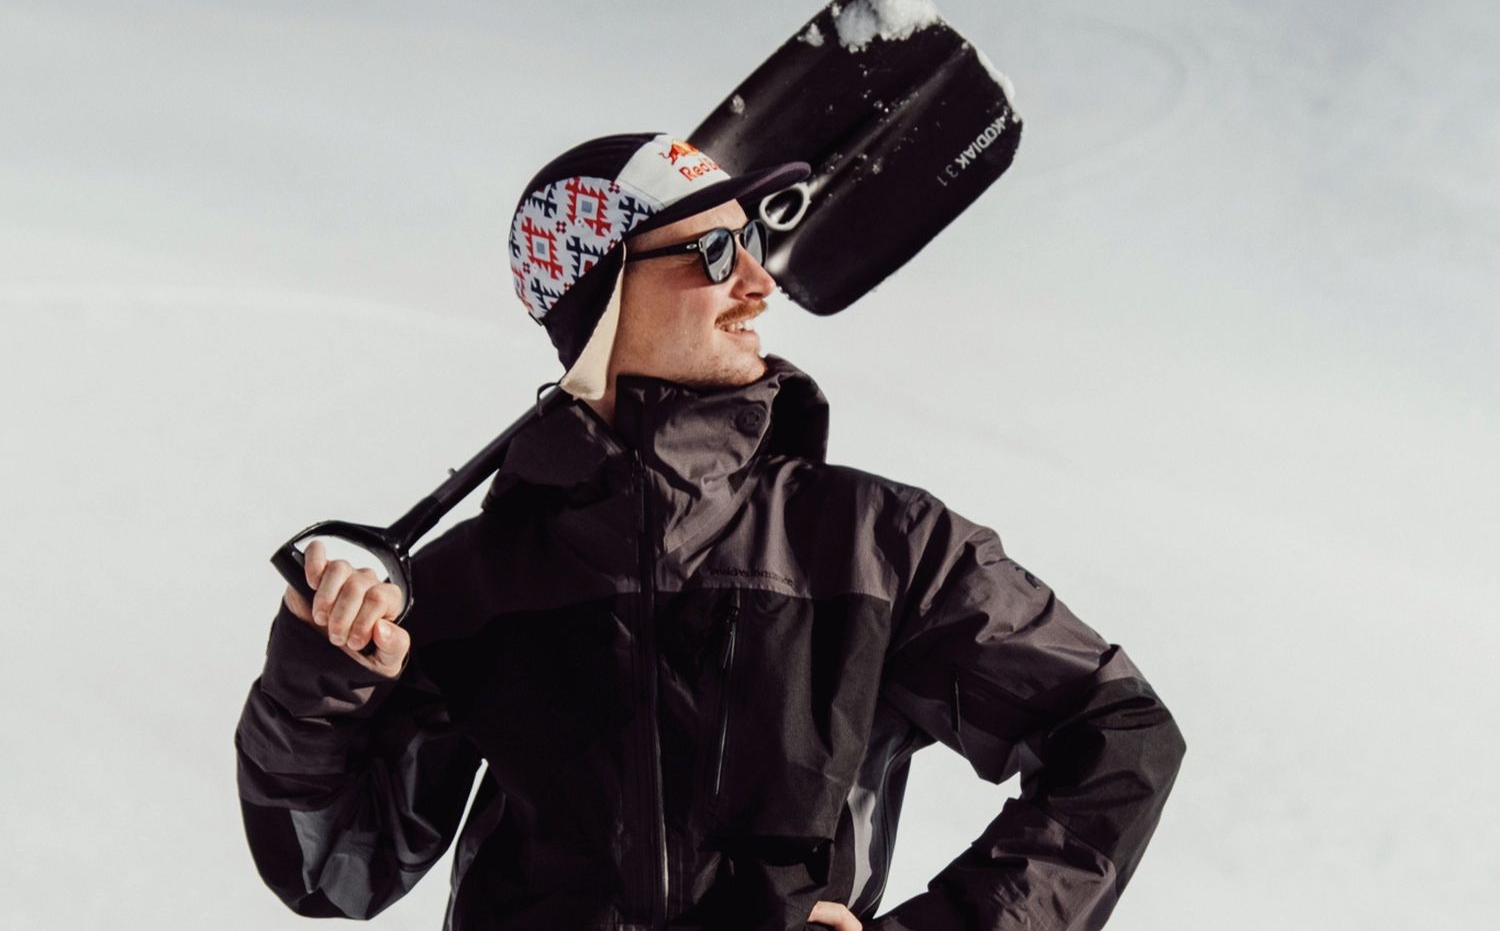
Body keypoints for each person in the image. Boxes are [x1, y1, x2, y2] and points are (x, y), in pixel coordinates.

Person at [234, 133, 1187, 931]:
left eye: (753, 244)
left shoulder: (872, 542)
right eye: (717, 254)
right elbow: (336, 870)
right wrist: (320, 680)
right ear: (605, 302)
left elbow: (1117, 736)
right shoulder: (479, 580)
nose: (761, 286)